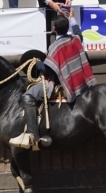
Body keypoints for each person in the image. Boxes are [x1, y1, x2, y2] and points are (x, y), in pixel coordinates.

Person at [9, 14, 96, 149]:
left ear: (54, 28)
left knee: (27, 96)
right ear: (67, 28)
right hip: (80, 81)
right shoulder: (75, 39)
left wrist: (37, 64)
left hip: (58, 82)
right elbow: (79, 32)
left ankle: (33, 135)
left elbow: (50, 70)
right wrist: (72, 18)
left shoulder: (55, 46)